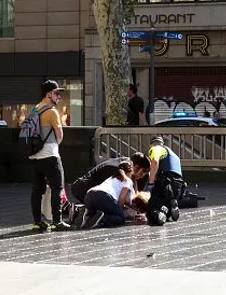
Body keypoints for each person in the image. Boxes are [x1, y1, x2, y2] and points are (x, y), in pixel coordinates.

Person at [30, 80, 70, 232]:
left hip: (34, 156)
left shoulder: (34, 109)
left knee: (36, 189)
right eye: (56, 93)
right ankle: (57, 222)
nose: (58, 96)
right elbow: (59, 135)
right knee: (57, 187)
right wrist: (54, 146)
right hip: (50, 155)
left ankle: (37, 222)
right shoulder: (52, 112)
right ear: (49, 94)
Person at [70, 152, 150, 203]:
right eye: (142, 172)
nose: (142, 176)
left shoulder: (131, 171)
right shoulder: (116, 169)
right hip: (83, 187)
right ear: (135, 167)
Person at [81, 161, 134, 229]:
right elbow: (122, 198)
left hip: (89, 195)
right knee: (120, 218)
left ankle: (86, 216)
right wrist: (119, 210)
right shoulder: (128, 180)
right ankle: (101, 219)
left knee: (107, 212)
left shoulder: (112, 177)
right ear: (129, 172)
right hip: (103, 196)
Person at [146, 136, 184, 226]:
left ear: (151, 145)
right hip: (178, 184)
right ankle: (171, 207)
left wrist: (151, 183)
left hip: (165, 181)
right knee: (165, 210)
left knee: (151, 211)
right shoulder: (174, 155)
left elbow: (155, 162)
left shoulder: (155, 148)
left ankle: (158, 213)